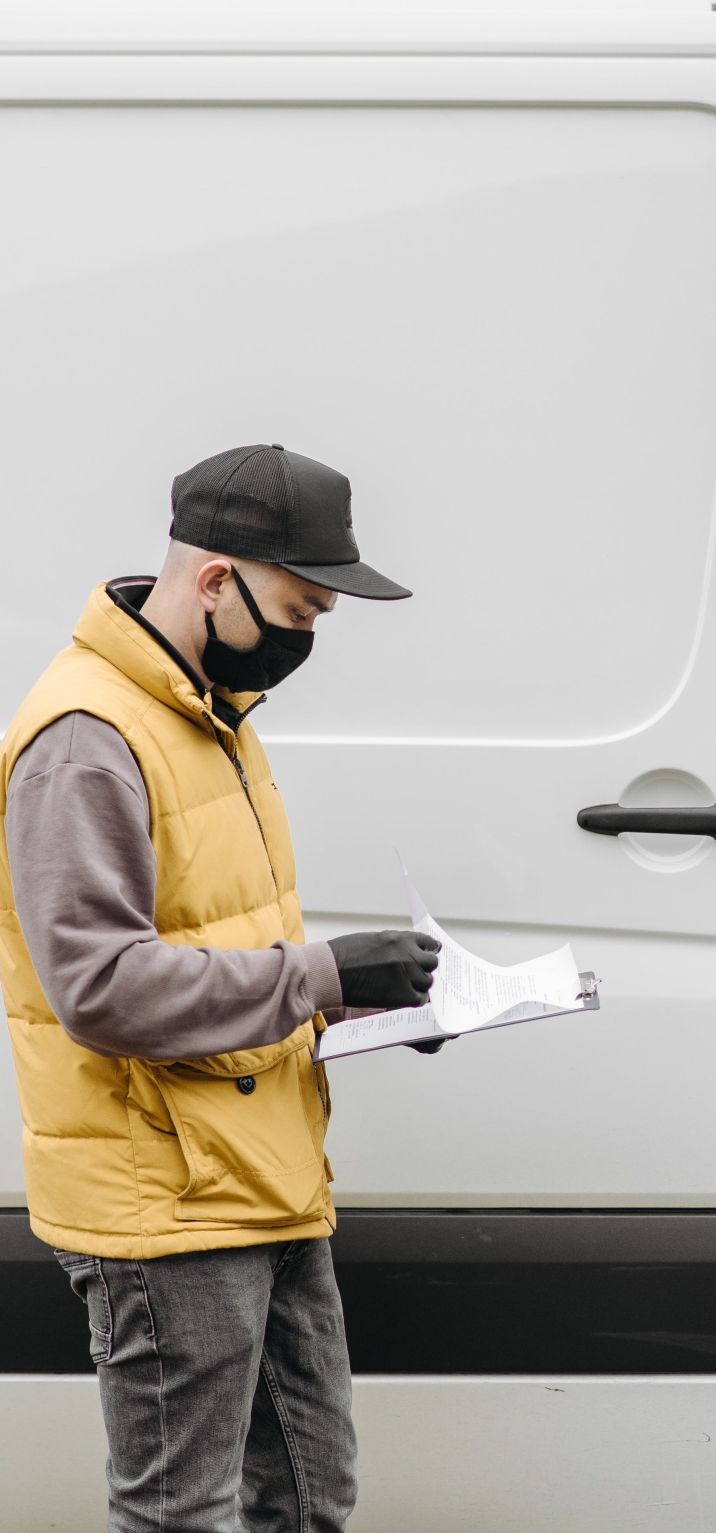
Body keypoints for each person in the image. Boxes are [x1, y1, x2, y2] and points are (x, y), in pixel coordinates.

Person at [0, 444, 444, 1532]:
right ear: (214, 581)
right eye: (301, 607)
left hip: (264, 1176)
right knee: (179, 1515)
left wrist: (357, 1002)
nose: (307, 636)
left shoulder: (206, 716)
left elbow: (217, 947)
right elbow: (101, 988)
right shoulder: (87, 739)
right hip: (168, 1206)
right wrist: (320, 972)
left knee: (306, 1498)